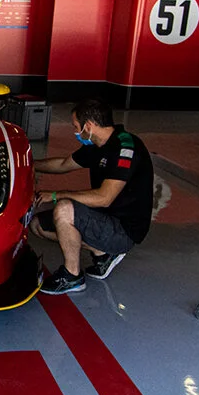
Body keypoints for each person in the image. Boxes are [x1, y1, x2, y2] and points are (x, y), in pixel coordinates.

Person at [27, 99, 155, 295]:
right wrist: (27, 164)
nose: (75, 132)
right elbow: (62, 164)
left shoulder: (125, 148)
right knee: (37, 224)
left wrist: (55, 195)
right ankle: (102, 254)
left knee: (63, 209)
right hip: (104, 216)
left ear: (89, 126)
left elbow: (105, 198)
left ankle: (72, 276)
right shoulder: (96, 145)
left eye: (76, 127)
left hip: (124, 229)